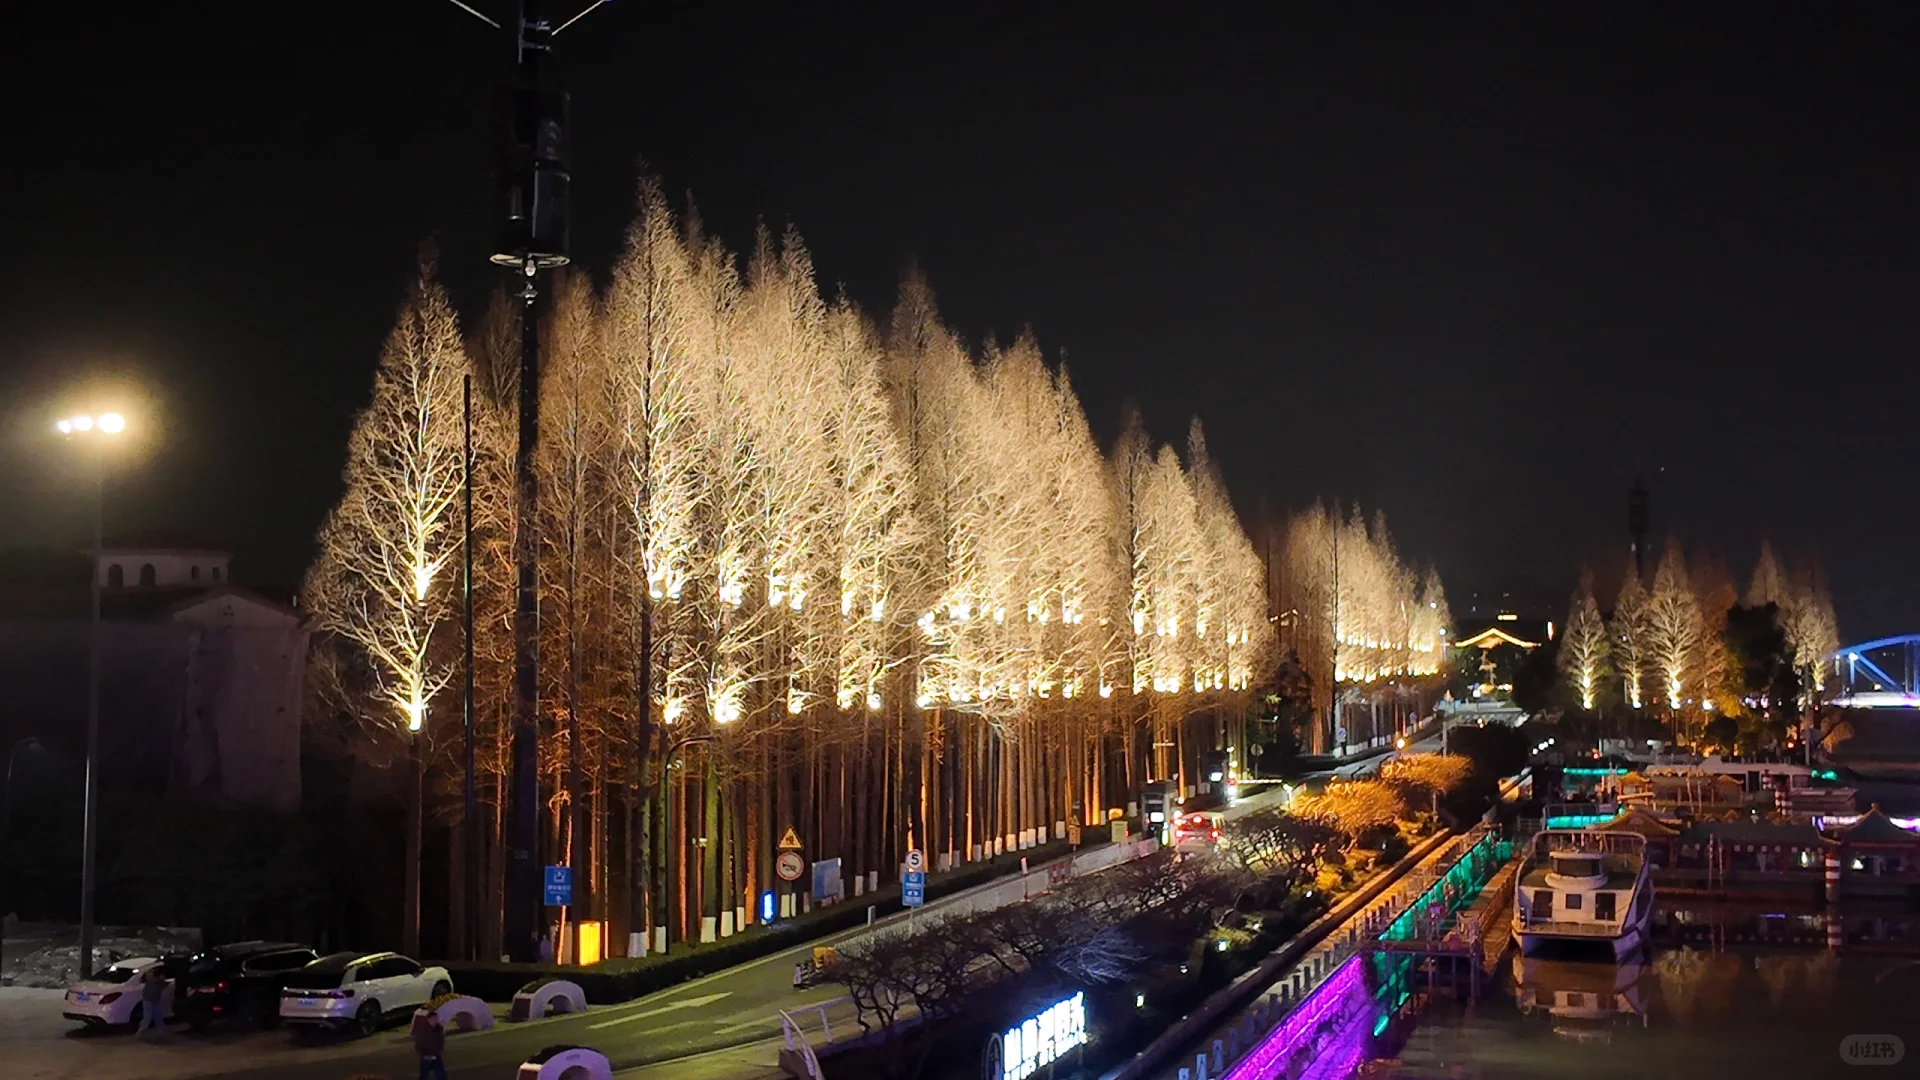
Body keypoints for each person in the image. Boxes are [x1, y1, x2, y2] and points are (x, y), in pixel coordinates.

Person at [413, 1007, 448, 1080]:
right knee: (424, 1075)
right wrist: (425, 1055)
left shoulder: (439, 1030)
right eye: (432, 1019)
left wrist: (436, 1053)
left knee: (441, 1076)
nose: (434, 1021)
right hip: (425, 1058)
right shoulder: (423, 1030)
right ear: (428, 1020)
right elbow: (418, 1044)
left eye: (435, 1019)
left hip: (436, 1056)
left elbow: (441, 1044)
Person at [138, 965, 166, 1037]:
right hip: (151, 1000)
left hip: (153, 1000)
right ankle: (141, 1031)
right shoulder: (154, 980)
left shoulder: (153, 980)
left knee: (155, 1016)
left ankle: (143, 1031)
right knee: (151, 1016)